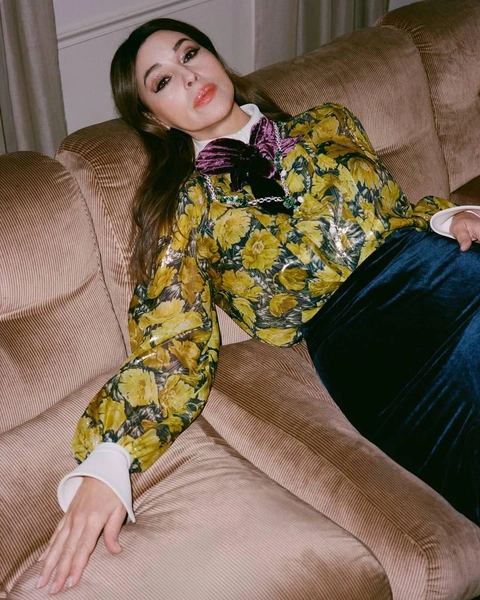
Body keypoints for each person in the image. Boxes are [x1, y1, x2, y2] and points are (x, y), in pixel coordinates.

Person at [38, 17, 480, 594]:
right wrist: (109, 458)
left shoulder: (328, 123)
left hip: (444, 274)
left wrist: (447, 216)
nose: (187, 75)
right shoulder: (181, 210)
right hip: (368, 353)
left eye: (190, 53)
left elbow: (390, 210)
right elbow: (174, 338)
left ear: (215, 58)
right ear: (154, 117)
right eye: (162, 80)